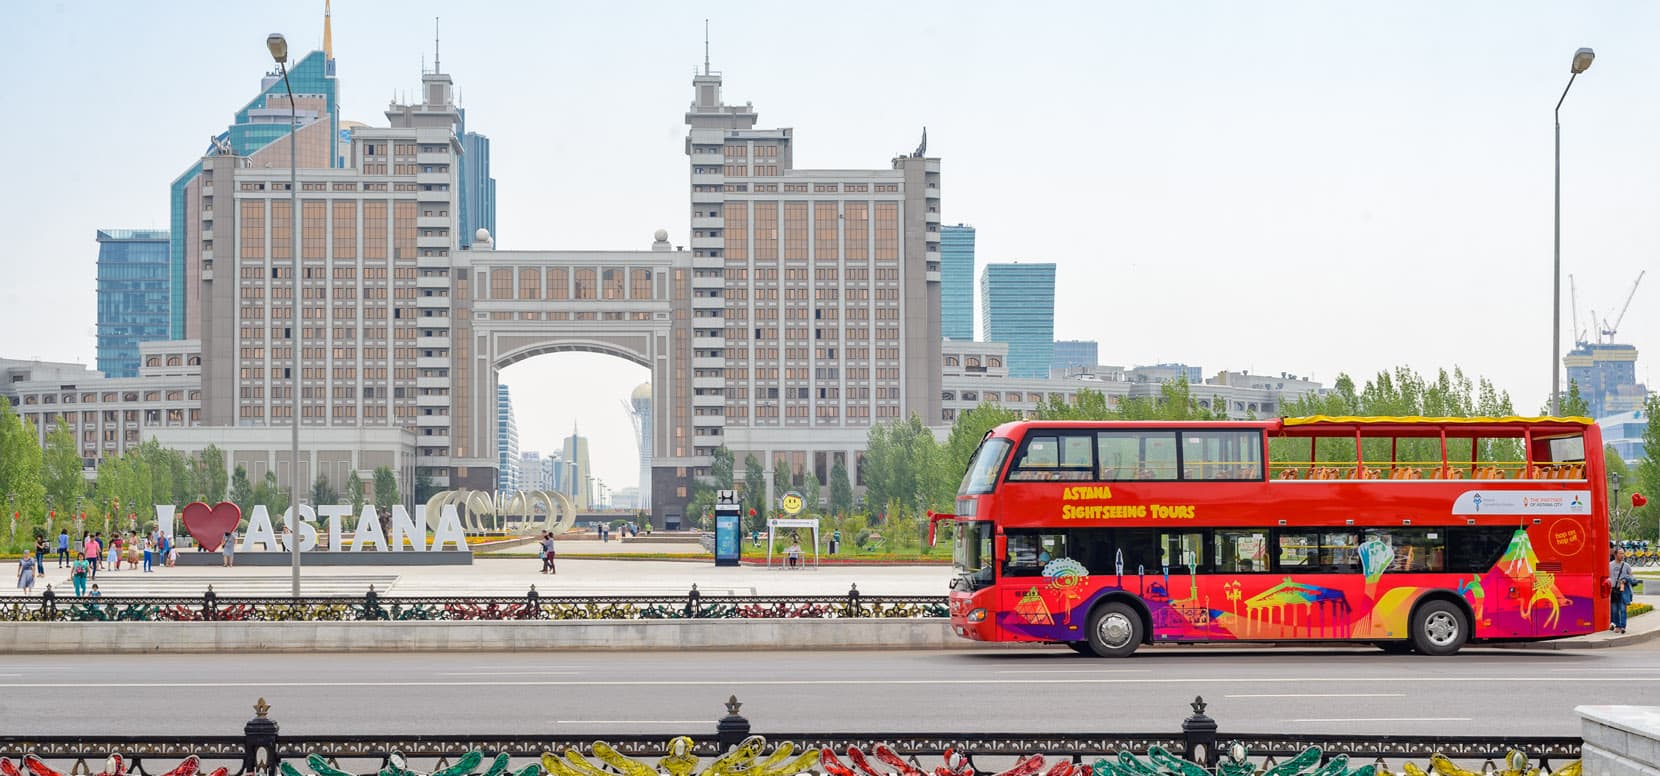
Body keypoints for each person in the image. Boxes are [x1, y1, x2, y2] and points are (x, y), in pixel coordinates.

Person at [1611, 547, 1636, 634]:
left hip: (1623, 590)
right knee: (1614, 609)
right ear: (1615, 554)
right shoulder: (1609, 565)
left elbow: (1632, 577)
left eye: (1623, 553)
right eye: (1620, 553)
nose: (1622, 555)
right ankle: (1617, 626)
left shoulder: (1626, 566)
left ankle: (1623, 627)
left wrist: (1626, 579)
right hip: (1613, 590)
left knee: (1622, 609)